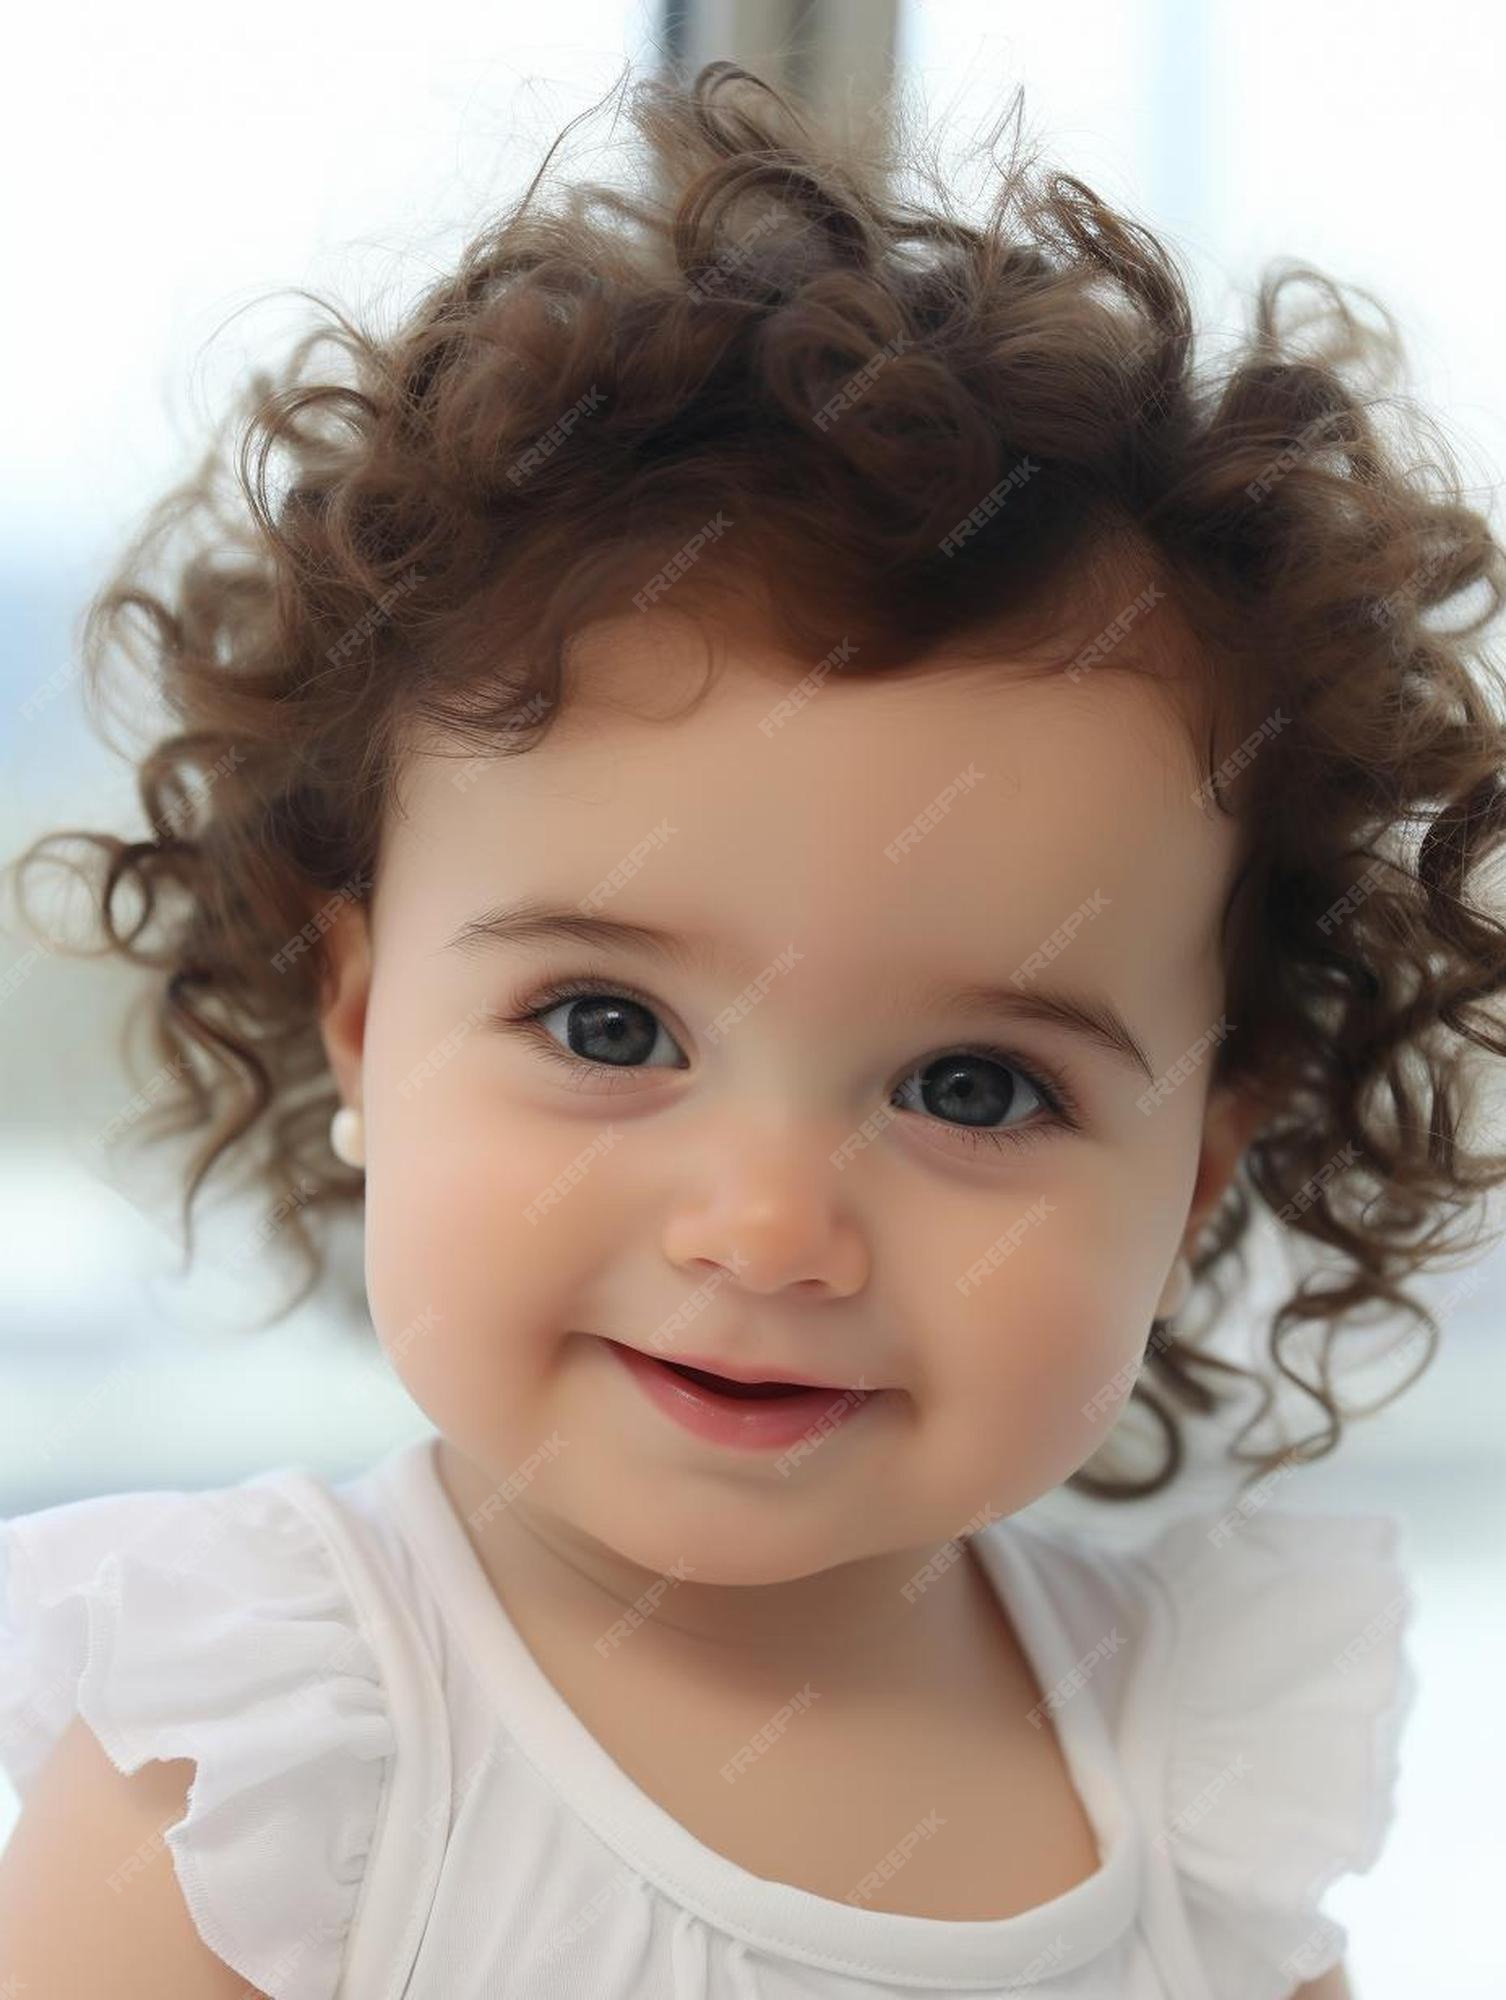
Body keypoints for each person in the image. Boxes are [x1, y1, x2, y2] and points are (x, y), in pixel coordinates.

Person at [5, 52, 1500, 1998]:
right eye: (610, 1026)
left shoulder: (1185, 1783)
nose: (769, 1226)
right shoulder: (273, 1766)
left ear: (1202, 1162)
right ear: (362, 1019)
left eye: (980, 1084)